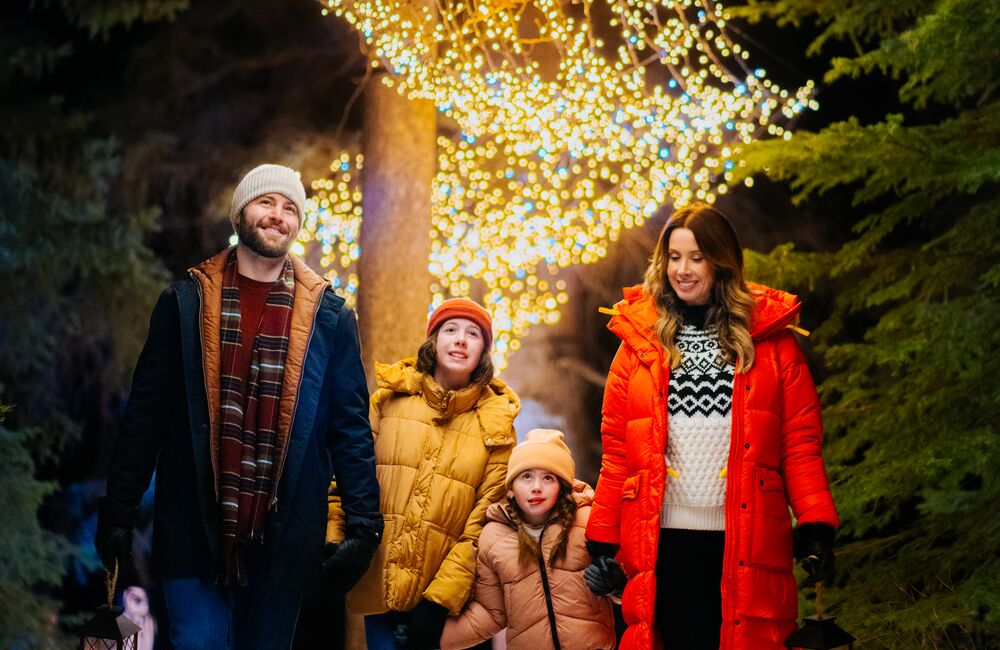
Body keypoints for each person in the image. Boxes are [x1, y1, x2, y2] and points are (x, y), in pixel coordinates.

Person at [95, 163, 383, 649]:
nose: (278, 215)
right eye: (266, 202)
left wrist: (364, 525)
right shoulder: (184, 304)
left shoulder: (329, 319)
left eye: (290, 208)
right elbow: (145, 416)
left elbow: (350, 428)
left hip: (284, 535)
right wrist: (119, 511)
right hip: (192, 526)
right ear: (239, 214)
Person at [583, 202, 839, 649]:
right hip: (663, 540)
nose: (682, 270)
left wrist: (815, 524)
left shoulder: (772, 343)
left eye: (696, 258)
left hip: (748, 535)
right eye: (674, 257)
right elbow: (619, 452)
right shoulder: (638, 344)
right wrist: (602, 539)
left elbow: (799, 443)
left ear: (721, 262)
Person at [326, 298, 520, 649]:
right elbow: (348, 480)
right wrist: (337, 542)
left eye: (473, 334)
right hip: (380, 583)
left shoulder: (496, 426)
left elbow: (484, 523)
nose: (460, 339)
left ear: (483, 351)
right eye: (450, 329)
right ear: (433, 340)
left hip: (442, 607)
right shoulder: (388, 401)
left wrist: (438, 601)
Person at [427, 428, 616, 650]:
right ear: (511, 488)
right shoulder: (494, 538)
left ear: (562, 485)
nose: (536, 487)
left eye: (548, 478)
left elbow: (628, 583)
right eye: (527, 477)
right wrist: (428, 637)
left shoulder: (588, 522)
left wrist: (616, 585)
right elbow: (490, 614)